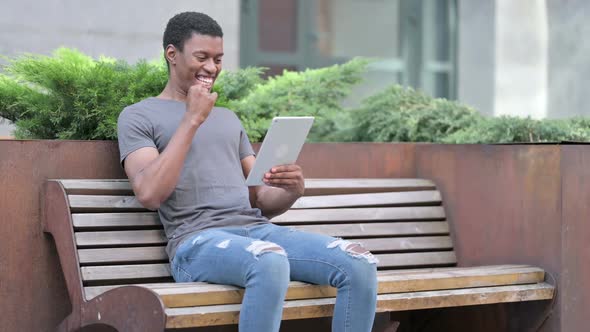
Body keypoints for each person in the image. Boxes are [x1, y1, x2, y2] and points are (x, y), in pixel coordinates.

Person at [117, 11, 377, 332]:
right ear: (172, 54)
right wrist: (192, 119)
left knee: (358, 263)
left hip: (256, 233)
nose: (212, 68)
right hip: (195, 243)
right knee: (268, 261)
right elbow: (149, 193)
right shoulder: (138, 116)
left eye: (218, 59)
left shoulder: (227, 118)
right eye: (202, 57)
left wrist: (291, 189)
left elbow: (260, 199)